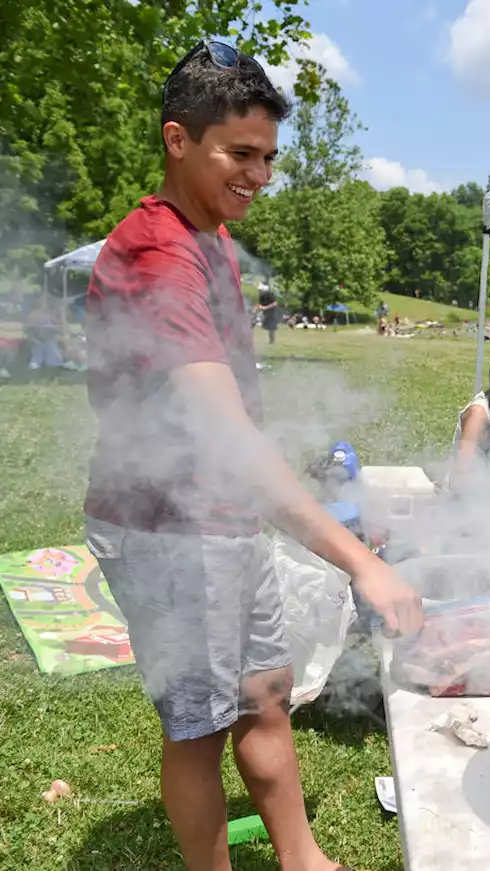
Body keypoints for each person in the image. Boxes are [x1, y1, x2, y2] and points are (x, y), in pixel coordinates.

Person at [82, 40, 422, 871]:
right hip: (166, 529)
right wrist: (359, 562)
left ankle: (303, 859)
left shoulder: (211, 237)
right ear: (178, 139)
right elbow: (225, 440)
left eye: (268, 157)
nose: (259, 176)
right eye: (240, 154)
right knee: (198, 727)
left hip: (224, 519)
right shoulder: (158, 252)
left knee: (265, 696)